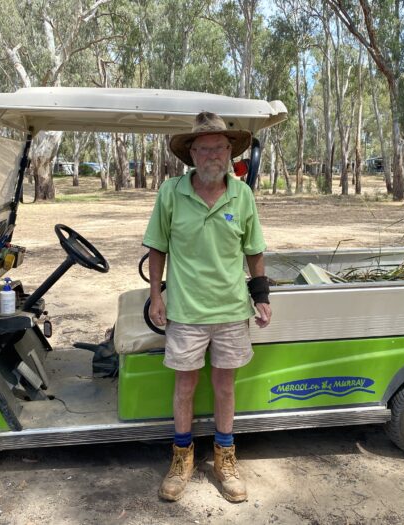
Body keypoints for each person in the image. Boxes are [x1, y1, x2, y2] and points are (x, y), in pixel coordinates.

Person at [142, 111, 272, 503]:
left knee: (224, 386)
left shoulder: (242, 195)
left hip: (232, 310)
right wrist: (156, 295)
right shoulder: (170, 193)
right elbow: (157, 247)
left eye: (219, 147)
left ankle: (225, 459)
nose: (212, 154)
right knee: (185, 386)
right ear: (191, 154)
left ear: (230, 151)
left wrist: (261, 297)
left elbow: (254, 251)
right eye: (204, 148)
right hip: (185, 311)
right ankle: (181, 458)